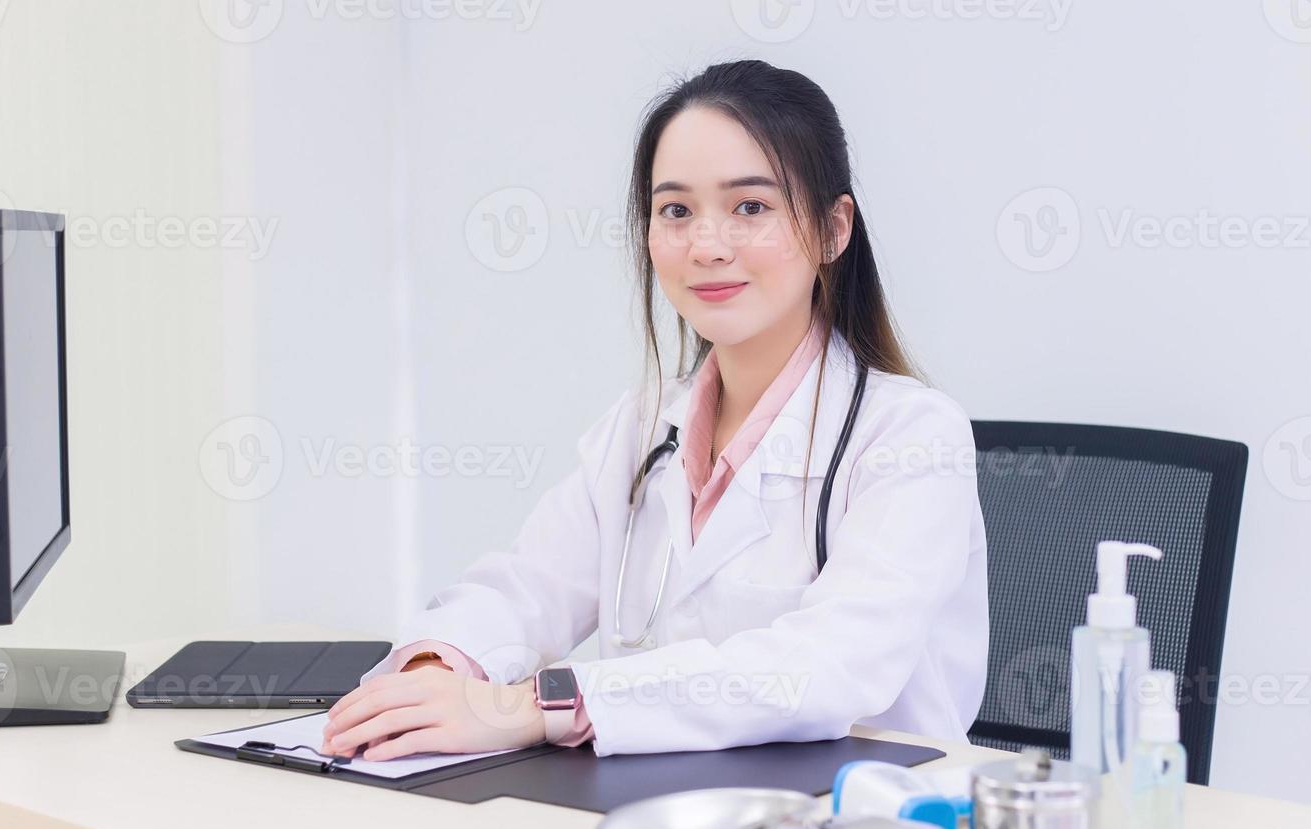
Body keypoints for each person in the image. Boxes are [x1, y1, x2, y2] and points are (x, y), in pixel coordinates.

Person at [323, 59, 988, 761]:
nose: (706, 245)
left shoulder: (912, 437)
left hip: (870, 827)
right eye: (676, 210)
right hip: (660, 818)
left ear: (832, 229)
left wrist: (535, 705)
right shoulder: (641, 431)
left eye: (750, 207)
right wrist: (439, 678)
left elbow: (830, 664)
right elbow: (528, 588)